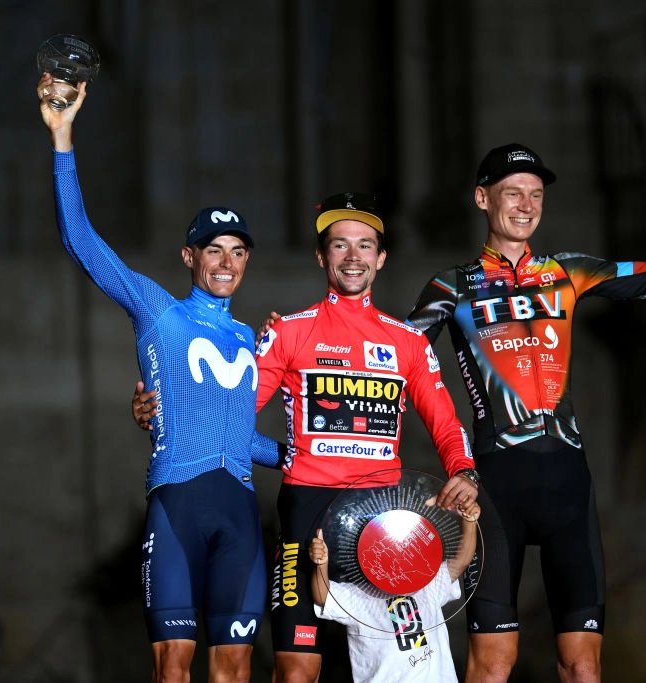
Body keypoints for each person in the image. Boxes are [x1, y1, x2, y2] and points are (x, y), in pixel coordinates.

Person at [403, 138, 646, 683]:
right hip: (497, 487)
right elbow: (392, 359)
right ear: (482, 198)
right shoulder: (452, 285)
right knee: (492, 666)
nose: (526, 205)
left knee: (583, 666)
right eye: (513, 192)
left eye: (536, 194)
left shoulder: (569, 271)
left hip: (567, 482)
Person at [134, 191, 480, 682]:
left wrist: (464, 471)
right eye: (340, 245)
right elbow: (227, 418)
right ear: (322, 256)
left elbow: (445, 421)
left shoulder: (408, 341)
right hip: (306, 512)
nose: (353, 256)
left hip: (382, 519)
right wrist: (162, 413)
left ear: (381, 258)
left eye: (364, 245)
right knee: (296, 671)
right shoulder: (288, 333)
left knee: (404, 666)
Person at [37, 72, 282, 683]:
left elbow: (237, 437)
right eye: (213, 249)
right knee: (172, 667)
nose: (226, 262)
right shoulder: (158, 310)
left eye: (238, 251)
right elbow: (81, 240)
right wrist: (62, 138)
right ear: (189, 257)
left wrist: (308, 455)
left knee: (236, 668)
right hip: (177, 504)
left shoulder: (248, 338)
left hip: (240, 513)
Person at [308, 500, 481, 683]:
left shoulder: (426, 583)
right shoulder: (358, 595)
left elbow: (461, 561)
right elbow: (323, 596)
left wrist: (469, 521)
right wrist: (321, 565)